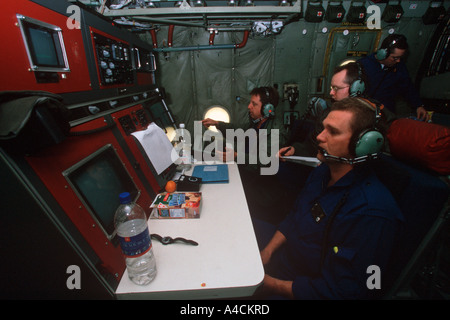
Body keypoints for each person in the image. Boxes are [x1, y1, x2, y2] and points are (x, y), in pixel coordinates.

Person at [254, 97, 404, 299]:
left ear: (363, 146)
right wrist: (267, 252)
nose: (319, 137)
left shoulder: (373, 212)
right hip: (286, 258)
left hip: (301, 288)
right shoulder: (321, 173)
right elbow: (294, 217)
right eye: (323, 128)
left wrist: (269, 284)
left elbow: (345, 292)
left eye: (333, 132)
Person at [202, 86, 290, 224]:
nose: (249, 107)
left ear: (268, 109)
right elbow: (239, 129)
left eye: (254, 104)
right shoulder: (256, 124)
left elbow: (265, 161)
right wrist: (217, 124)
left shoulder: (276, 131)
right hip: (249, 179)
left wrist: (236, 156)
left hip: (263, 191)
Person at [278, 62, 370, 158]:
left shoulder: (375, 117)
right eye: (331, 87)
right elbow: (313, 145)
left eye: (336, 88)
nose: (331, 92)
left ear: (357, 88)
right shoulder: (328, 113)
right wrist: (295, 150)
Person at [358, 34, 427, 120]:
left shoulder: (399, 66)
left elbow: (407, 86)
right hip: (366, 113)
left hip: (387, 114)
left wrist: (418, 105)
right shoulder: (363, 65)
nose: (398, 61)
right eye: (395, 58)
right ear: (382, 54)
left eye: (400, 58)